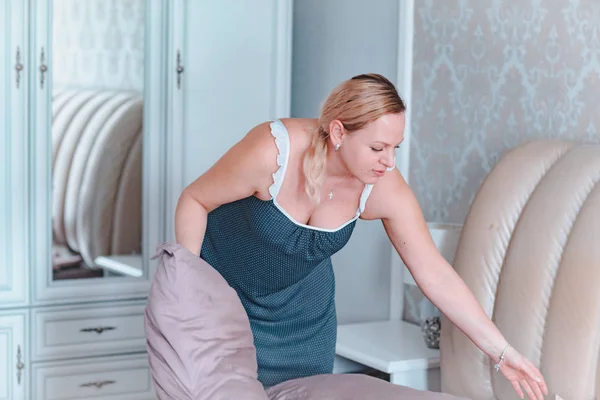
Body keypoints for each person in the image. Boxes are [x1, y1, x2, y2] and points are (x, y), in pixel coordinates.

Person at [174, 73, 548, 398]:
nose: (389, 161)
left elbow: (434, 273)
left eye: (395, 148)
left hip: (302, 320)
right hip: (224, 301)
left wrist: (502, 353)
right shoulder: (274, 152)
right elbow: (194, 200)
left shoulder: (382, 186)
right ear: (338, 131)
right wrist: (188, 297)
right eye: (377, 147)